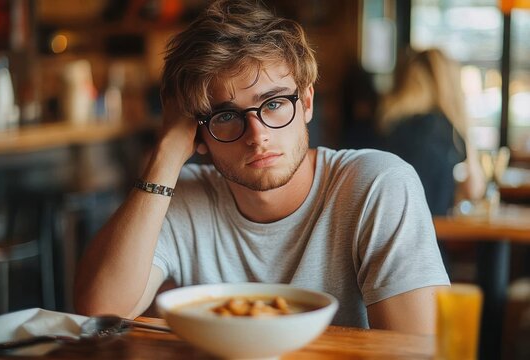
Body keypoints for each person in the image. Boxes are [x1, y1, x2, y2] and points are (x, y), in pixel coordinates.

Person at [74, 0, 449, 334]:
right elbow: (102, 311)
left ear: (305, 103)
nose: (257, 135)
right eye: (225, 115)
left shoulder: (377, 185)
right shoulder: (180, 196)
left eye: (272, 104)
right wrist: (166, 153)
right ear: (197, 133)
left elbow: (416, 348)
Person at [376, 48, 486, 216]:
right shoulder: (447, 130)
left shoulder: (386, 124)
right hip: (432, 234)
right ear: (450, 84)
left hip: (380, 230)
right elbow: (474, 189)